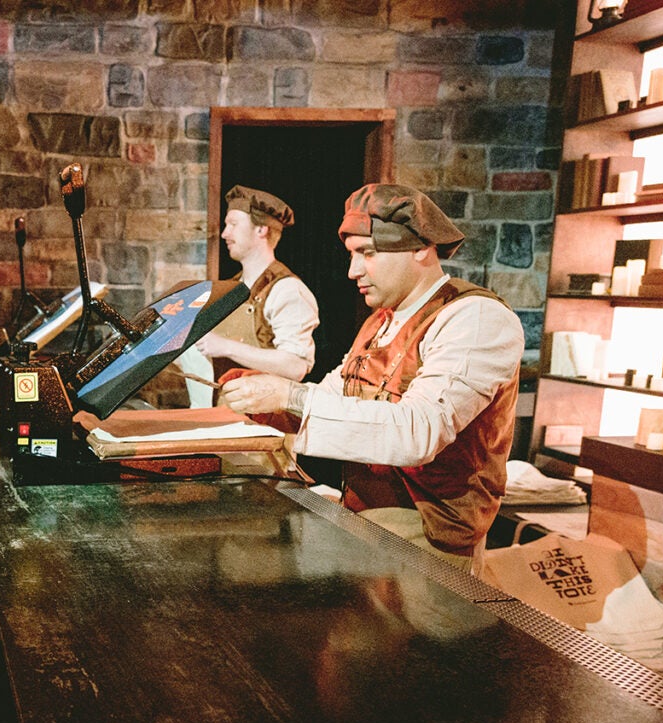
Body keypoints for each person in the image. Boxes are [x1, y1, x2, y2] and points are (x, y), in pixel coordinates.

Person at [220, 183, 523, 574]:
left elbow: (420, 431)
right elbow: (331, 396)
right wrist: (263, 400)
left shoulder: (475, 317)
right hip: (369, 525)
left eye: (368, 253)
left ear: (420, 248)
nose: (353, 271)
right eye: (352, 254)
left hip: (430, 542)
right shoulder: (380, 321)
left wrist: (290, 397)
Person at [195, 186, 319, 396]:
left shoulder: (286, 290)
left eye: (233, 224)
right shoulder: (230, 288)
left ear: (261, 229)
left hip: (262, 413)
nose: (225, 233)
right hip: (223, 409)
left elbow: (295, 365)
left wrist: (225, 347)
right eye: (226, 225)